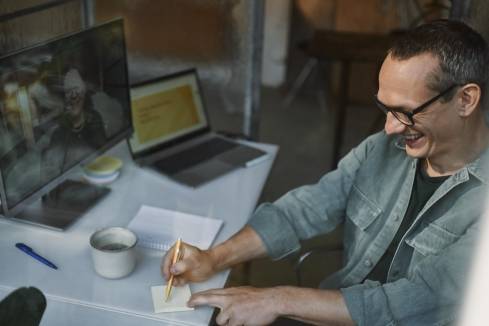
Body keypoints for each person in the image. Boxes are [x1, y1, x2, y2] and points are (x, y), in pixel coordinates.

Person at [161, 19, 489, 325]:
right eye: (384, 109)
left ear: (465, 100)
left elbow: (407, 304)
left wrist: (276, 299)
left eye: (404, 112)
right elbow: (305, 209)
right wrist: (214, 258)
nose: (389, 129)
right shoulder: (383, 149)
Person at [42, 68, 107, 180]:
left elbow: (102, 156)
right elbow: (51, 173)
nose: (73, 98)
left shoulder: (94, 120)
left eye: (76, 91)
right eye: (67, 93)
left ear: (84, 95)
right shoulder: (58, 133)